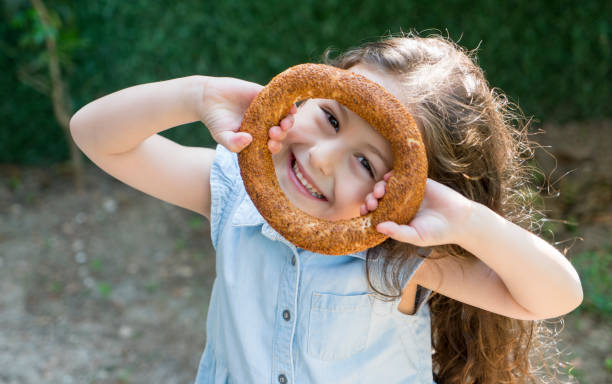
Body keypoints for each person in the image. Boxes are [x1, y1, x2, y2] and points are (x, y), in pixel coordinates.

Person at [69, 32, 583, 383]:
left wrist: (466, 221)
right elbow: (95, 135)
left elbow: (554, 297)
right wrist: (194, 94)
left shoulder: (402, 252)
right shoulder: (234, 192)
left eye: (365, 162)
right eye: (331, 120)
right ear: (310, 92)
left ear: (405, 188)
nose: (319, 157)